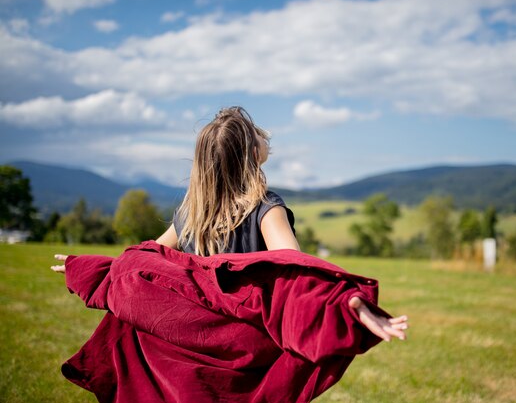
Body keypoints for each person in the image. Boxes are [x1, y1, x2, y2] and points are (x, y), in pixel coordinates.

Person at [53, 106, 408, 342]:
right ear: (254, 154)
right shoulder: (267, 210)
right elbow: (299, 272)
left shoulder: (190, 214)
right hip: (246, 351)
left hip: (199, 345)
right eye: (259, 135)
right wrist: (349, 300)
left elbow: (144, 262)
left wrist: (95, 268)